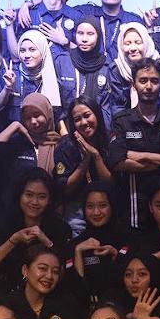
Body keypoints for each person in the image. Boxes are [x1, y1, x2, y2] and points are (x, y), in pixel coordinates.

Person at [105, 58, 160, 229]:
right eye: (143, 80)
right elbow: (118, 162)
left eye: (154, 81)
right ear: (134, 85)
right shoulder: (122, 121)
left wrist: (142, 156)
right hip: (135, 210)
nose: (149, 86)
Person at [0, 168, 72, 293]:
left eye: (42, 197)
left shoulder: (61, 228)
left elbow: (64, 274)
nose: (35, 202)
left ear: (50, 200)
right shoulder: (4, 224)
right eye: (29, 195)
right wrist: (13, 240)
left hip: (48, 293)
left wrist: (46, 242)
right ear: (20, 195)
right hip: (8, 293)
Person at [0, 95, 63, 210]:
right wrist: (15, 126)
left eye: (37, 115)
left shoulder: (59, 144)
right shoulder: (17, 142)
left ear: (47, 112)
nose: (33, 121)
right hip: (14, 212)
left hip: (48, 211)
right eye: (27, 118)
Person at [52, 96, 112, 225]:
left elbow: (111, 185)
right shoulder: (66, 146)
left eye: (87, 115)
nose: (84, 122)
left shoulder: (108, 141)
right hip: (76, 212)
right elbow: (64, 189)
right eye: (77, 119)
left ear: (97, 114)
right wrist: (85, 160)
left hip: (107, 210)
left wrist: (95, 155)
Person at [71, 183, 132, 301]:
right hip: (86, 306)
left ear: (112, 206)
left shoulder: (127, 238)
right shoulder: (77, 244)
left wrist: (115, 255)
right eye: (90, 206)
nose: (96, 212)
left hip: (121, 306)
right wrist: (78, 253)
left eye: (102, 205)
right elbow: (75, 289)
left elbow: (129, 282)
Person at [102, 23, 160, 125]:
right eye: (127, 43)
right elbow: (117, 106)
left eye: (138, 43)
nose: (133, 48)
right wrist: (128, 128)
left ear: (146, 43)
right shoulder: (116, 70)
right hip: (127, 124)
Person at [10, 0, 83, 54]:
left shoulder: (76, 16)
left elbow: (85, 54)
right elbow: (16, 53)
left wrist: (65, 42)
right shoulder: (26, 14)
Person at [74, 0, 144, 61]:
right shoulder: (87, 12)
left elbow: (143, 51)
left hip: (122, 69)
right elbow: (58, 7)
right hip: (90, 68)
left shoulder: (133, 20)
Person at [0, 30, 62, 124]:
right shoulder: (10, 73)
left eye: (32, 50)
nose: (27, 55)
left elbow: (58, 117)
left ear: (43, 51)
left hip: (41, 131)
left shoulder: (53, 77)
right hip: (14, 131)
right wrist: (7, 88)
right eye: (22, 50)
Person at [55, 16, 109, 105]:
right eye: (80, 33)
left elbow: (107, 106)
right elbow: (55, 99)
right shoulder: (62, 61)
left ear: (98, 36)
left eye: (90, 34)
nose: (84, 39)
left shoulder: (106, 65)